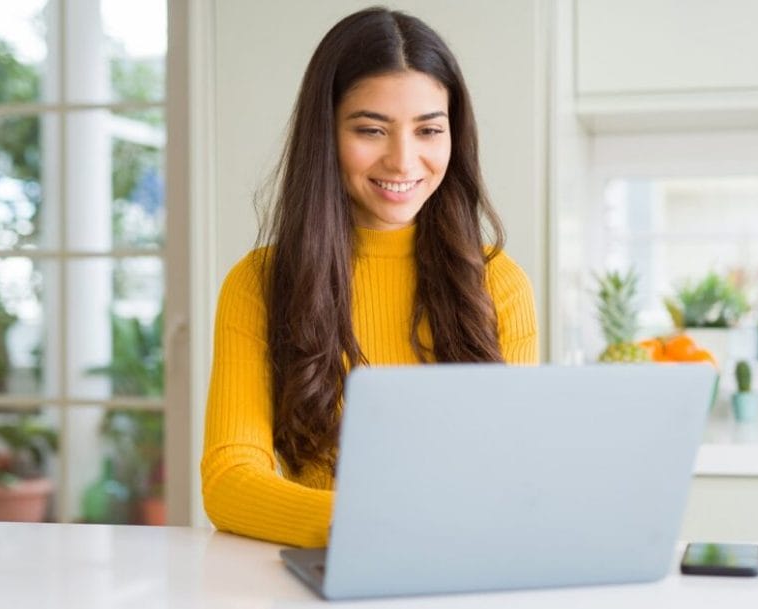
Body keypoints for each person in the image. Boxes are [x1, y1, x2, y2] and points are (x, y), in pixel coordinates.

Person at [201, 6, 538, 548]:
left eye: (429, 130)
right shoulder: (259, 282)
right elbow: (230, 480)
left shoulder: (500, 283)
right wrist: (369, 526)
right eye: (371, 129)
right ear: (326, 133)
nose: (404, 161)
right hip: (328, 564)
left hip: (462, 566)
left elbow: (515, 478)